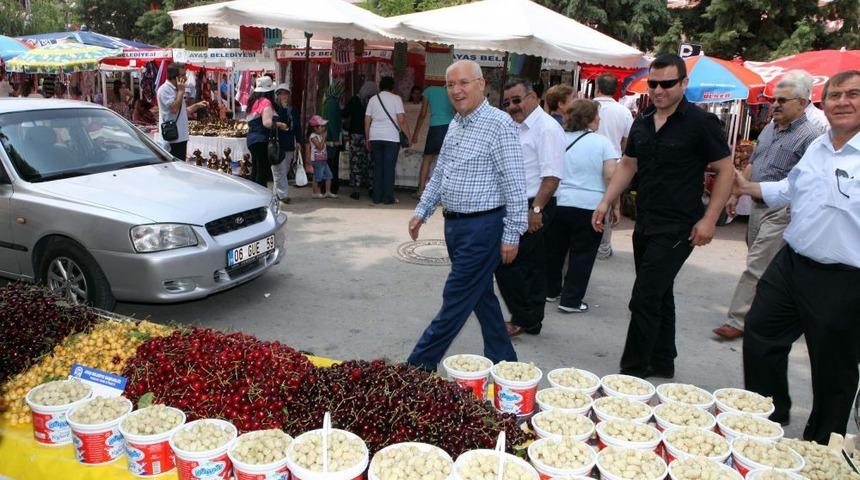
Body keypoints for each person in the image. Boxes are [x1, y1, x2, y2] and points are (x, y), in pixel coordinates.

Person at [734, 70, 860, 443]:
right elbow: (791, 188)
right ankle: (767, 414)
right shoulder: (820, 145)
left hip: (844, 277)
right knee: (759, 334)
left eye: (853, 94)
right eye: (834, 95)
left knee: (832, 367)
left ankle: (823, 444)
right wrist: (747, 187)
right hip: (792, 263)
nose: (841, 102)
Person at [591, 54, 735, 379]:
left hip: (680, 225)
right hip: (646, 222)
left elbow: (725, 170)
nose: (659, 90)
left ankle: (632, 373)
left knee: (644, 296)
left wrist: (709, 219)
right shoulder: (641, 122)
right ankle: (662, 361)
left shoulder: (700, 124)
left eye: (667, 84)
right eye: (653, 83)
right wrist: (606, 201)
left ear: (684, 83)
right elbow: (628, 165)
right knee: (660, 292)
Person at [406, 60, 527, 371]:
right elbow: (441, 171)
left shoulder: (500, 125)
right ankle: (506, 365)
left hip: (484, 228)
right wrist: (422, 211)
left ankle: (415, 369)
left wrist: (512, 234)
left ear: (481, 84)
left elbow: (514, 184)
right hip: (455, 227)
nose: (456, 90)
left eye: (463, 83)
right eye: (450, 85)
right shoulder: (456, 124)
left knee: (455, 299)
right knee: (481, 296)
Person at [713, 72, 825, 340]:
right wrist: (736, 194)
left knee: (756, 264)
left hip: (783, 209)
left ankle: (737, 320)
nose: (774, 105)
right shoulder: (770, 127)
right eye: (773, 100)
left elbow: (804, 181)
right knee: (766, 264)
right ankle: (781, 312)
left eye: (781, 101)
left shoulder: (813, 135)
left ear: (801, 102)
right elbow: (755, 162)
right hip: (756, 205)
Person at [495, 77, 564, 336]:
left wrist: (536, 210)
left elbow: (552, 176)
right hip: (518, 204)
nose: (512, 106)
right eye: (507, 102)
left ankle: (523, 318)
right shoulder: (517, 126)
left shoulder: (546, 128)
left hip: (534, 204)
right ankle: (530, 320)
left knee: (507, 261)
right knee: (530, 265)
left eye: (516, 100)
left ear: (533, 97)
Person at [547, 99, 620, 314]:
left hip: (559, 202)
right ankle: (571, 300)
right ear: (588, 118)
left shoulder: (557, 140)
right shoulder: (603, 143)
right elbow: (610, 175)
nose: (599, 119)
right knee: (583, 254)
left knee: (554, 251)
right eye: (597, 115)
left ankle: (550, 291)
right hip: (590, 207)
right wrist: (614, 204)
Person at [593, 73, 634, 260]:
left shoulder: (588, 107)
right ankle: (603, 247)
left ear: (597, 87)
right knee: (607, 204)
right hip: (615, 162)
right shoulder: (623, 112)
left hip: (589, 160)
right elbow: (627, 142)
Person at [365, 76, 411, 205]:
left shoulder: (373, 99)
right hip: (391, 137)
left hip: (375, 136)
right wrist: (408, 135)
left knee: (378, 167)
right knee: (389, 168)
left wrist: (367, 138)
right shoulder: (396, 99)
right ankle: (388, 198)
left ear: (380, 86)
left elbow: (367, 120)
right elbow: (401, 119)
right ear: (392, 86)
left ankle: (376, 197)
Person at [157, 64, 207, 161]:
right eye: (183, 75)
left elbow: (183, 111)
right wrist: (180, 92)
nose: (185, 78)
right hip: (173, 138)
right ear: (175, 77)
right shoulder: (164, 90)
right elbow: (174, 109)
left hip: (181, 136)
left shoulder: (177, 89)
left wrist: (197, 106)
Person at [413, 81, 454, 198]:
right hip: (450, 127)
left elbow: (423, 113)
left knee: (427, 159)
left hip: (435, 127)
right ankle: (445, 194)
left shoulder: (429, 91)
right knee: (447, 161)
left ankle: (421, 191)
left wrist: (415, 133)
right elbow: (455, 110)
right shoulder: (450, 91)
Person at [245, 76, 287, 187]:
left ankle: (253, 195)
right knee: (262, 172)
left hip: (252, 139)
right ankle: (261, 197)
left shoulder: (253, 101)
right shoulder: (266, 102)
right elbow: (267, 123)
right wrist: (280, 125)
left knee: (255, 169)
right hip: (261, 139)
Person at [271, 84, 303, 203]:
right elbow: (275, 123)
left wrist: (299, 141)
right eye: (281, 93)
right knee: (278, 170)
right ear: (277, 95)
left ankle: (276, 194)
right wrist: (283, 109)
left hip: (289, 143)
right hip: (277, 143)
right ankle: (283, 195)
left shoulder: (293, 109)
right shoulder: (274, 108)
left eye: (285, 93)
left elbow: (297, 126)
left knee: (283, 170)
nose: (283, 96)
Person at [344, 88, 372, 200]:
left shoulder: (354, 100)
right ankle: (371, 187)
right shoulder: (374, 101)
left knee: (356, 161)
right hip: (370, 136)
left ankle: (356, 189)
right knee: (369, 161)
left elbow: (345, 113)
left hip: (356, 135)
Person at [322, 81, 346, 195]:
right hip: (331, 139)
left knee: (330, 163)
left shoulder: (330, 102)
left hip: (330, 137)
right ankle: (330, 188)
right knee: (331, 164)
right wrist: (337, 139)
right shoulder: (332, 103)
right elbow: (332, 123)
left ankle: (329, 187)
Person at [308, 115, 337, 199]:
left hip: (323, 160)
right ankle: (315, 192)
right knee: (318, 177)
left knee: (329, 176)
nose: (324, 128)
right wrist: (324, 137)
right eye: (322, 126)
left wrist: (331, 143)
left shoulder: (320, 135)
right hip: (317, 160)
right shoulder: (313, 136)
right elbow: (320, 147)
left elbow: (324, 144)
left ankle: (328, 192)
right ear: (315, 128)